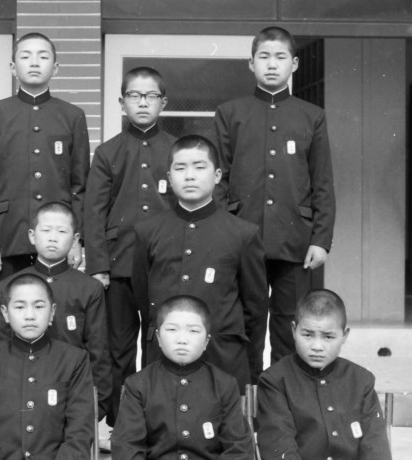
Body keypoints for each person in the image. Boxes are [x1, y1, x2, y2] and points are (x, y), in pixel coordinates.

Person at [214, 26, 336, 364]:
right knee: (245, 323)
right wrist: (222, 232)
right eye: (264, 57)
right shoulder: (230, 113)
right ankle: (245, 395)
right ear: (251, 63)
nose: (271, 64)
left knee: (290, 325)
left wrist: (321, 240)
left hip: (295, 239)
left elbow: (322, 182)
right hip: (242, 235)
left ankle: (281, 395)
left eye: (280, 57)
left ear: (293, 64)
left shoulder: (312, 116)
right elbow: (218, 179)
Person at [132, 135, 268, 391]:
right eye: (180, 168)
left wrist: (252, 373)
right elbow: (143, 301)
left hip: (223, 359)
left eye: (199, 166)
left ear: (217, 176)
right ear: (169, 177)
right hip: (163, 360)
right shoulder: (148, 232)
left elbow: (255, 311)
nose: (189, 176)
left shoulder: (243, 234)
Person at [84, 66, 178, 431]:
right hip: (118, 265)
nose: (142, 103)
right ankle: (120, 425)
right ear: (122, 102)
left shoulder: (175, 150)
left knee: (159, 345)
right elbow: (94, 212)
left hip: (163, 265)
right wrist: (98, 266)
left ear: (163, 102)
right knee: (118, 349)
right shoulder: (108, 152)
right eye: (134, 96)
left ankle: (157, 422)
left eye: (150, 96)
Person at [0, 32, 90, 285]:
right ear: (13, 67)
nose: (34, 63)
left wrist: (77, 238)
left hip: (58, 235)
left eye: (43, 57)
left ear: (55, 68)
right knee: (11, 302)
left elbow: (80, 186)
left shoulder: (72, 116)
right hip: (9, 233)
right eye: (26, 57)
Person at [0, 201, 110, 420]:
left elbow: (98, 348)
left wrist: (98, 402)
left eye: (62, 231)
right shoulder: (11, 284)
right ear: (32, 235)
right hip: (19, 386)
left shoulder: (88, 288)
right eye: (45, 230)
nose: (53, 238)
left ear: (75, 239)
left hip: (71, 386)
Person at [0, 273, 95, 459]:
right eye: (19, 307)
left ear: (52, 312)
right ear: (5, 313)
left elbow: (79, 433)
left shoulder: (74, 360)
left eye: (39, 306)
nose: (30, 315)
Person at [112, 295, 254, 459]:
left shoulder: (224, 384)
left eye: (193, 331)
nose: (182, 340)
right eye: (172, 329)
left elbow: (238, 449)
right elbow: (127, 448)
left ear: (206, 340)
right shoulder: (138, 385)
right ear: (158, 337)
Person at [257, 289, 391, 459]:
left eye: (328, 337)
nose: (317, 346)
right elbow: (278, 445)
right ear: (294, 330)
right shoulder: (275, 381)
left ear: (344, 335)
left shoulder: (361, 380)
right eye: (308, 335)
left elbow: (375, 447)